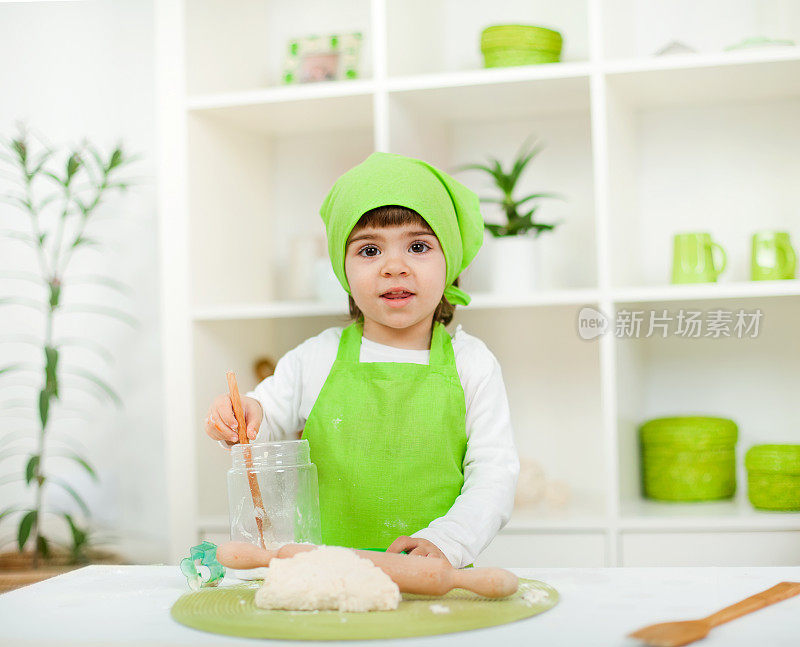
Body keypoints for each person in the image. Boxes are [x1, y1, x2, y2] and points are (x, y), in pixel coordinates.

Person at [204, 152, 519, 568]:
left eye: (419, 246)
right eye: (369, 250)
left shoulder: (472, 364)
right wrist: (244, 413)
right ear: (343, 269)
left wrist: (448, 541)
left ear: (451, 262)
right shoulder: (315, 357)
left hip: (428, 578)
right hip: (328, 575)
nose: (394, 267)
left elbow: (494, 475)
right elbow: (265, 421)